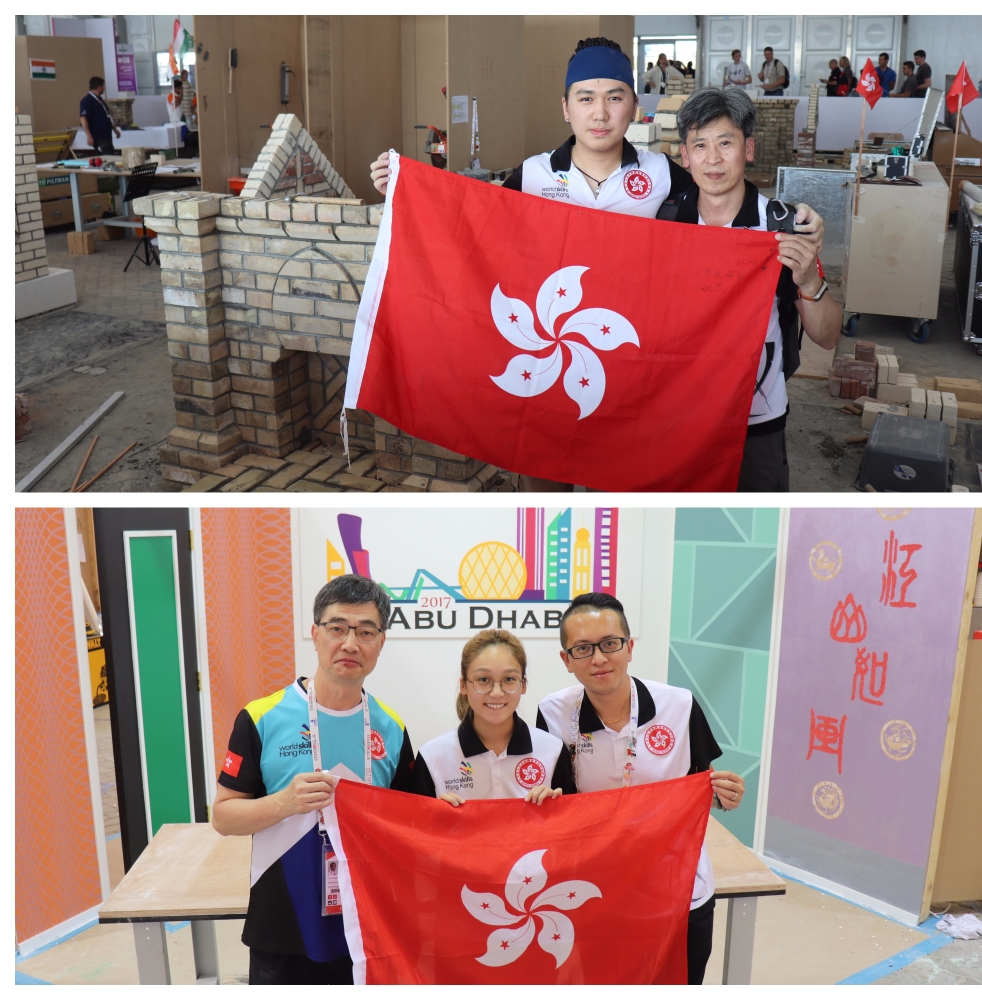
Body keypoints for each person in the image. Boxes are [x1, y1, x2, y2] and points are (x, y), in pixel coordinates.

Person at [372, 36, 695, 491]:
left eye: (614, 97)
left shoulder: (663, 176)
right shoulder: (535, 175)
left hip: (629, 367)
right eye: (586, 98)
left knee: (617, 494)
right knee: (545, 498)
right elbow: (471, 231)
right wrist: (404, 193)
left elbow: (718, 231)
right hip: (547, 369)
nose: (600, 113)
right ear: (566, 107)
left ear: (634, 104)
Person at [212, 574, 415, 985]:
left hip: (367, 924)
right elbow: (223, 817)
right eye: (337, 628)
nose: (350, 643)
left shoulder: (391, 729)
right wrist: (283, 803)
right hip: (283, 923)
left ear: (381, 642)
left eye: (366, 631)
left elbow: (412, 824)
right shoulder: (261, 717)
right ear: (315, 634)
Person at [535, 593, 746, 985]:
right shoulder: (553, 713)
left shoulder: (679, 706)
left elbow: (704, 786)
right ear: (566, 660)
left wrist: (724, 795)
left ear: (629, 648)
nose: (599, 658)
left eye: (610, 644)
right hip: (597, 894)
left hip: (679, 891)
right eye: (582, 649)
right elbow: (555, 802)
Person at [665, 87, 843, 491]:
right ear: (685, 156)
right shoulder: (666, 222)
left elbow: (829, 336)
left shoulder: (782, 228)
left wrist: (809, 281)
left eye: (725, 143)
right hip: (676, 410)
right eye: (701, 145)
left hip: (756, 416)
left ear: (748, 149)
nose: (713, 159)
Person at [411, 630, 575, 805]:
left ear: (523, 685)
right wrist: (434, 816)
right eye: (483, 679)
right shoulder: (433, 757)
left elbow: (570, 826)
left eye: (509, 679)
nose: (496, 693)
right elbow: (414, 829)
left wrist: (555, 809)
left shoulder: (553, 750)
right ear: (463, 685)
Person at [79, 76, 119, 155]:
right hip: (99, 137)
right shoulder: (87, 101)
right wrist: (89, 136)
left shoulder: (100, 100)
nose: (104, 88)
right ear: (99, 87)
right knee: (106, 158)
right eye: (103, 86)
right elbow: (83, 118)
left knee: (110, 154)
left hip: (106, 135)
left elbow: (107, 115)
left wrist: (114, 128)